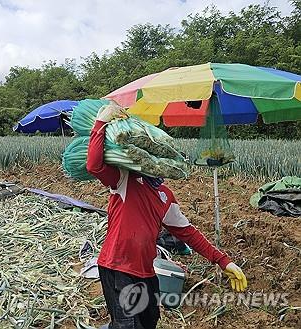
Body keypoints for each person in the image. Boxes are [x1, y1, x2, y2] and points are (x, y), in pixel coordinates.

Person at [86, 103, 247, 329]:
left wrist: (223, 261)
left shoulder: (165, 196)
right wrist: (101, 123)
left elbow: (189, 233)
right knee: (127, 326)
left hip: (145, 271)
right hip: (117, 267)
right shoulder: (125, 180)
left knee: (149, 322)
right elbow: (94, 166)